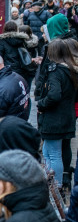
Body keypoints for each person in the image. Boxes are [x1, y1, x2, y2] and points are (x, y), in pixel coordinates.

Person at [34, 38, 78, 188]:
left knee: (53, 153)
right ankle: (51, 182)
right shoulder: (71, 69)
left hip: (55, 119)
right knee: (48, 150)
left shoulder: (56, 72)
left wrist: (41, 104)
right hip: (67, 116)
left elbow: (54, 95)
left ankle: (56, 186)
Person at [0, 21, 37, 88]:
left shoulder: (2, 41)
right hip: (22, 71)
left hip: (8, 71)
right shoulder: (21, 39)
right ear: (16, 29)